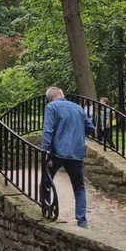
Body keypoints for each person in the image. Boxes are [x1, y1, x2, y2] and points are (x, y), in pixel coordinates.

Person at [41, 86, 95, 228]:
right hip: (76, 152)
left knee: (46, 181)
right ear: (61, 94)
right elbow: (91, 128)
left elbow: (48, 130)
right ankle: (82, 220)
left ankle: (47, 210)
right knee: (79, 187)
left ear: (49, 97)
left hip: (58, 152)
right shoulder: (77, 108)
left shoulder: (51, 107)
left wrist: (45, 150)